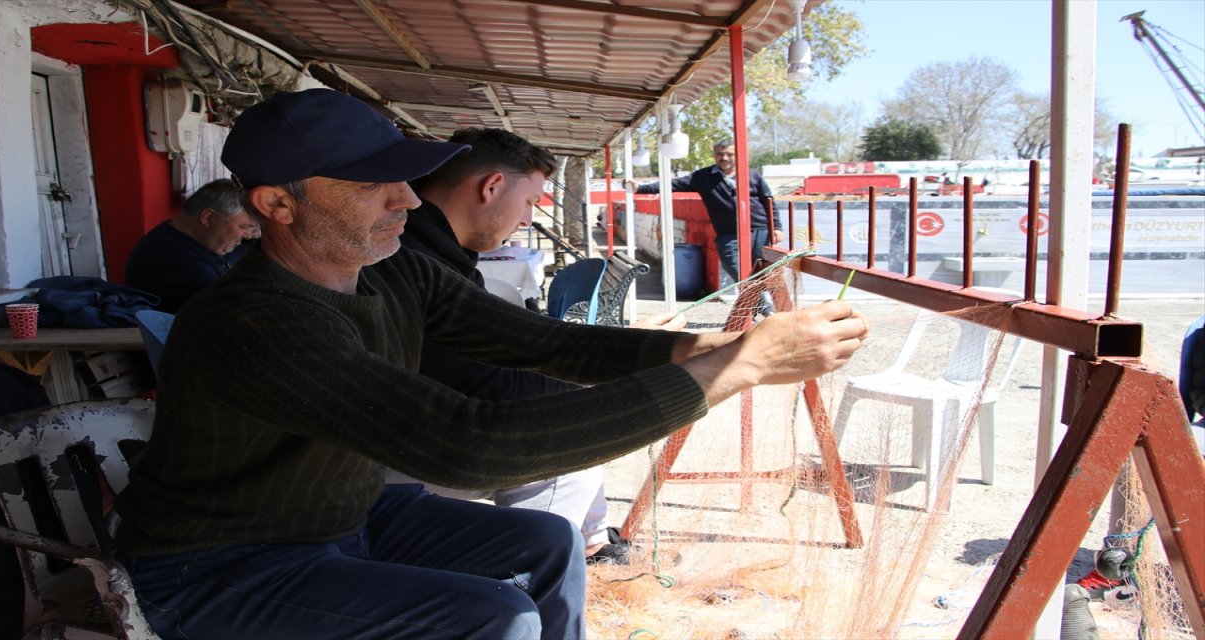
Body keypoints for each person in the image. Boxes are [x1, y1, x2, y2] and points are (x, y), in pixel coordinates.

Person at [112, 88, 868, 639]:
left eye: (405, 178)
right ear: (277, 205)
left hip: (342, 518)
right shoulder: (256, 320)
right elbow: (469, 447)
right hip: (219, 565)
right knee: (494, 616)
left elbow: (546, 343)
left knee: (546, 541)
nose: (408, 200)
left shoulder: (389, 270)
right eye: (375, 185)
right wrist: (729, 374)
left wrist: (708, 348)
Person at [388, 127, 675, 564]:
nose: (526, 220)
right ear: (492, 186)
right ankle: (526, 580)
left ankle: (587, 548)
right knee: (570, 445)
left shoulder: (433, 249)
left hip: (396, 436)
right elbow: (483, 380)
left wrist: (617, 355)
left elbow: (513, 346)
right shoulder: (415, 259)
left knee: (571, 425)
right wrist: (593, 389)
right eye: (529, 202)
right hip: (382, 458)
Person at [635, 139, 781, 285]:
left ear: (737, 155)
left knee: (761, 269)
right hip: (728, 232)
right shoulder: (703, 177)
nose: (724, 158)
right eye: (719, 154)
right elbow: (673, 184)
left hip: (759, 229)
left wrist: (777, 227)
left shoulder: (751, 174)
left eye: (729, 154)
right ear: (714, 155)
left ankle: (759, 303)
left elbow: (768, 200)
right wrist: (641, 188)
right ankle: (758, 300)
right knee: (733, 265)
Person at [124, 178, 258, 312]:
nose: (248, 235)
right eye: (243, 227)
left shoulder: (212, 240)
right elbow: (237, 307)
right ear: (207, 217)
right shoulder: (166, 255)